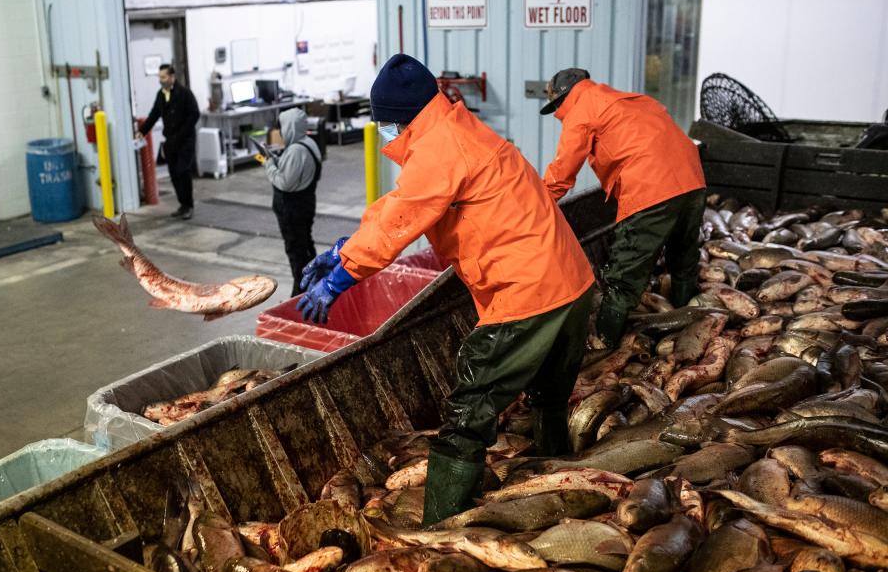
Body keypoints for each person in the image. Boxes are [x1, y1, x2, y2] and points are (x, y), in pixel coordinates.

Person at [297, 54, 595, 525]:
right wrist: (341, 247)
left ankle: (440, 530)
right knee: (549, 393)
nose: (383, 134)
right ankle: (558, 475)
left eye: (383, 124)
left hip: (529, 293)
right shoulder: (458, 128)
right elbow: (403, 203)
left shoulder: (439, 149)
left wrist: (342, 275)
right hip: (571, 283)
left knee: (468, 413)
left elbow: (402, 218)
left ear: (397, 119)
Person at [540, 68, 707, 348]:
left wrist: (533, 206)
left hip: (652, 188)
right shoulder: (632, 100)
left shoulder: (581, 110)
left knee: (622, 278)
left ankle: (603, 345)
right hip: (693, 181)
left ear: (561, 99)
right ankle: (684, 328)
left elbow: (561, 174)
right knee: (683, 258)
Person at [264, 107, 323, 296]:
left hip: (293, 209)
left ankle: (300, 292)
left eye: (282, 127)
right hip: (306, 204)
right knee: (305, 244)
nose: (280, 132)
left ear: (290, 127)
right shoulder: (308, 143)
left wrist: (269, 165)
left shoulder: (296, 150)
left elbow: (284, 182)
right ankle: (315, 282)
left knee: (295, 250)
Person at [136, 64, 201, 220]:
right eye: (159, 77)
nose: (161, 80)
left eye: (164, 77)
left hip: (185, 140)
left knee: (183, 171)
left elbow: (194, 115)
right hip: (170, 141)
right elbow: (154, 114)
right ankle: (182, 204)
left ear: (172, 77)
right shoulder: (161, 95)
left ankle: (189, 205)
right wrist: (142, 131)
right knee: (174, 174)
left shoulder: (185, 93)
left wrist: (182, 132)